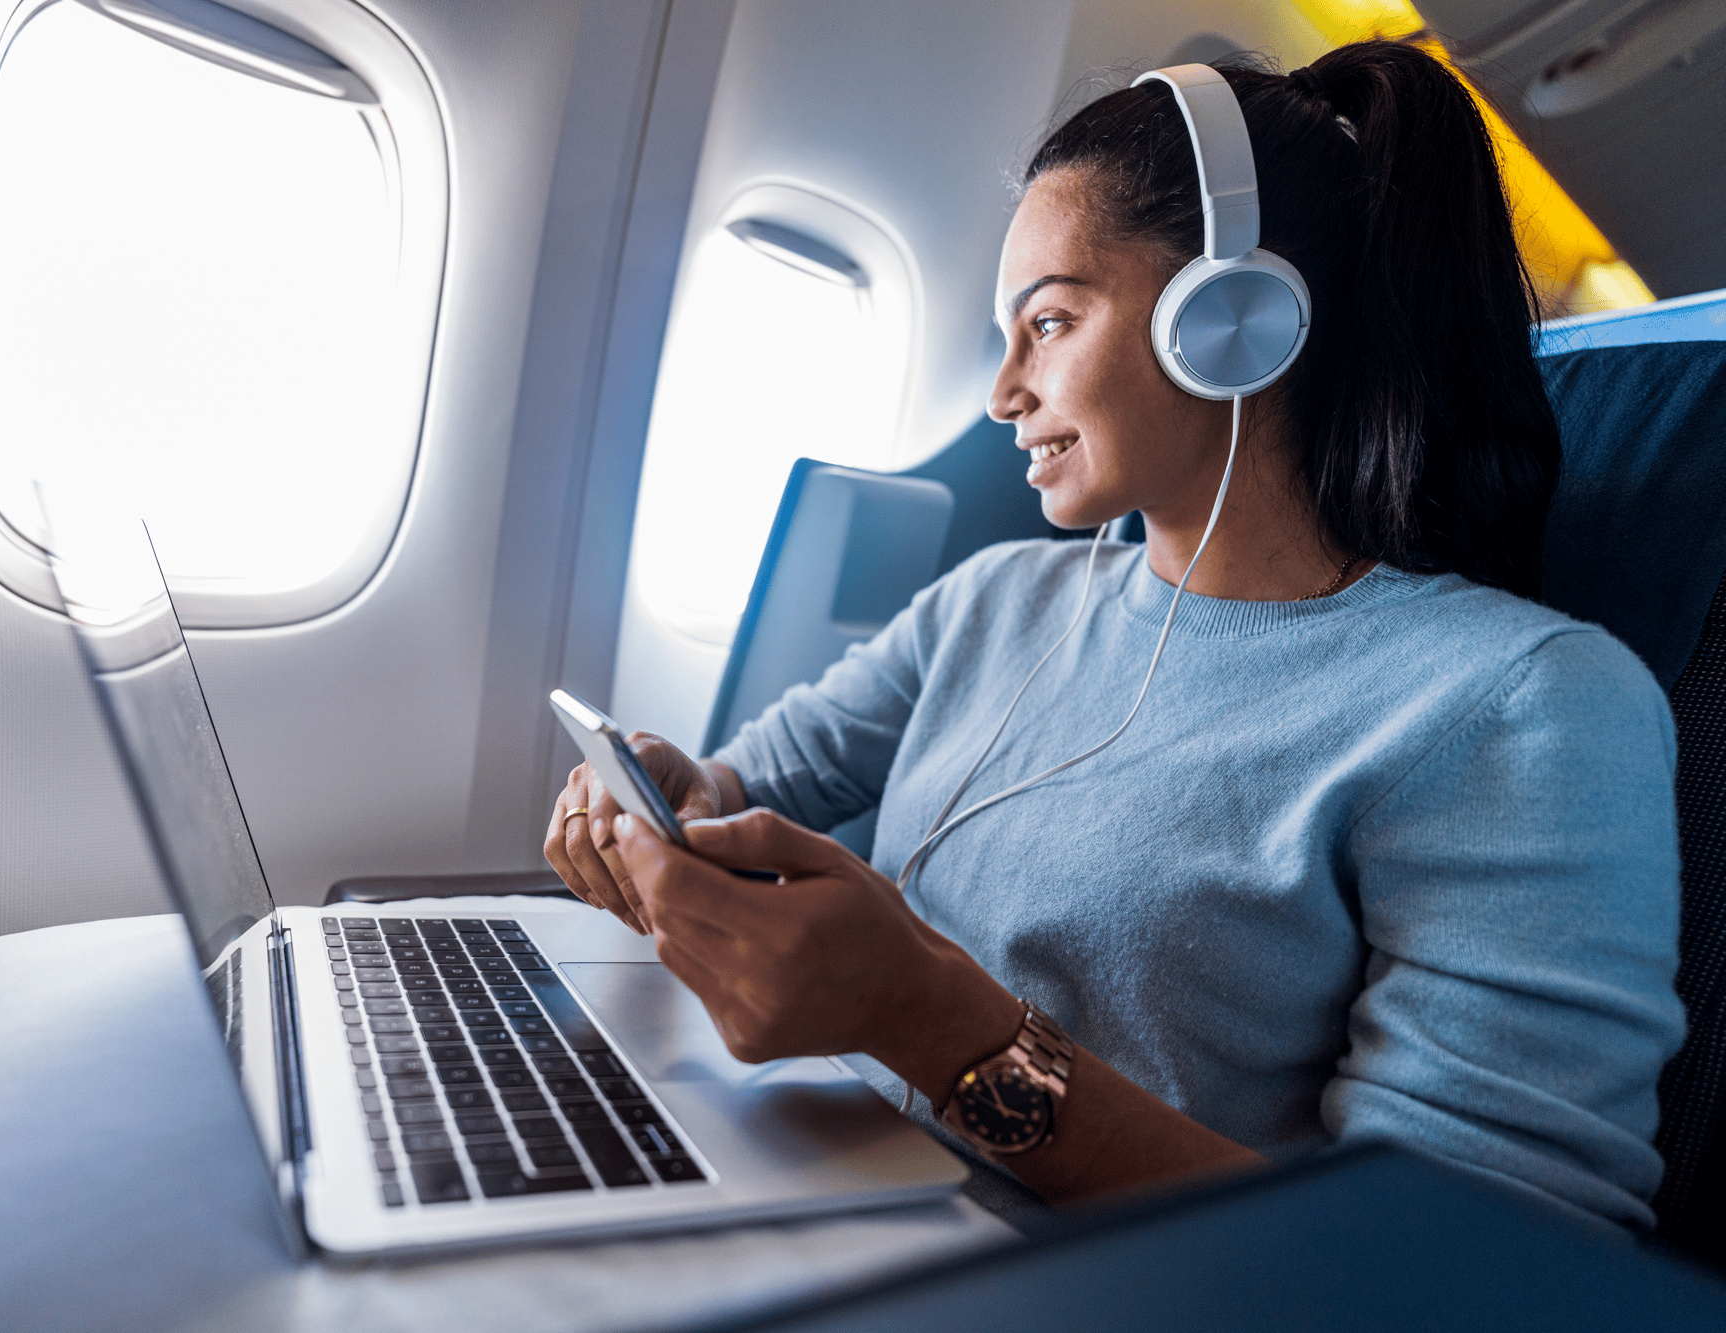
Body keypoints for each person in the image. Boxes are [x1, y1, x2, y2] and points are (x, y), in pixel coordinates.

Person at [545, 41, 1684, 1228]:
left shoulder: (1520, 705)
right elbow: (750, 781)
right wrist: (667, 804)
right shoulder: (990, 600)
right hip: (807, 1173)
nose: (999, 394)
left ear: (1232, 319)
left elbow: (1466, 1272)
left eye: (1045, 322)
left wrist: (933, 1024)